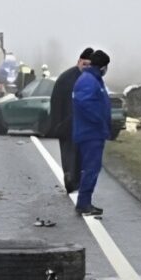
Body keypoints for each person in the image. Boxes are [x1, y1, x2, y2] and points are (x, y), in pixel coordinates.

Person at [49, 47, 95, 193]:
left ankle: (77, 180)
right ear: (79, 62)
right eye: (85, 64)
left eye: (90, 65)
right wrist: (56, 124)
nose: (87, 67)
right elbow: (56, 102)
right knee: (69, 153)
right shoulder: (66, 78)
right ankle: (69, 178)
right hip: (67, 123)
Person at [73, 49, 113, 216]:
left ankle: (85, 202)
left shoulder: (93, 79)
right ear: (102, 66)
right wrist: (99, 121)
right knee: (91, 168)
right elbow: (85, 104)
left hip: (93, 132)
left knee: (92, 168)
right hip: (90, 133)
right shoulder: (89, 80)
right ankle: (83, 203)